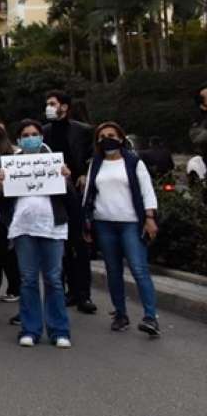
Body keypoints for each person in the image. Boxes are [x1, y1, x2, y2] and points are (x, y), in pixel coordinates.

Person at [0, 119, 74, 348]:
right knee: (28, 280)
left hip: (52, 227)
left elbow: (70, 199)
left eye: (34, 133)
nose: (30, 137)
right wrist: (1, 185)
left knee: (53, 280)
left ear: (41, 137)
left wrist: (66, 179)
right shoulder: (13, 164)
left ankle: (59, 330)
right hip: (23, 228)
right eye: (26, 134)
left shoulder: (53, 162)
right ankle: (30, 329)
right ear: (19, 140)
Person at [82, 122, 161, 337]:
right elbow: (89, 191)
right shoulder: (96, 163)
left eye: (111, 135)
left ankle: (150, 317)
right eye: (102, 136)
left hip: (130, 222)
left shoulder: (133, 162)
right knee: (113, 271)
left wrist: (150, 217)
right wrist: (86, 221)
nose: (107, 138)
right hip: (104, 222)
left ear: (120, 137)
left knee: (139, 269)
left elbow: (147, 190)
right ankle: (120, 314)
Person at [42, 89, 97, 315]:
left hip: (75, 193)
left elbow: (92, 157)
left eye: (52, 103)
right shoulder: (43, 132)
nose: (49, 107)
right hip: (51, 196)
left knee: (79, 246)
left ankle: (83, 294)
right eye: (47, 103)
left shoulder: (83, 131)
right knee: (60, 246)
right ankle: (67, 291)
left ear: (64, 106)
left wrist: (84, 173)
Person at [0, 121, 21, 304]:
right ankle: (10, 287)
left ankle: (0, 287)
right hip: (6, 211)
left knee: (1, 252)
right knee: (5, 252)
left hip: (2, 209)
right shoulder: (11, 155)